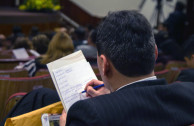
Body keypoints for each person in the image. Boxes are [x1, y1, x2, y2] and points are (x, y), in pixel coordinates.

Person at [60, 10, 194, 126]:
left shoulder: (89, 115)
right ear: (155, 53)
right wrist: (113, 97)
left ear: (104, 64)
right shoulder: (189, 93)